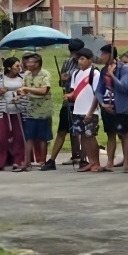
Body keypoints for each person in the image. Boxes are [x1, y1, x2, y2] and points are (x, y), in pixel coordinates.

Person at [96, 44, 128, 172]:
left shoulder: (124, 69)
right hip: (107, 106)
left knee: (124, 134)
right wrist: (103, 104)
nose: (101, 57)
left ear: (109, 55)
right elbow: (98, 90)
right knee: (110, 134)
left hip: (120, 106)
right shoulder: (103, 70)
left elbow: (123, 86)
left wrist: (112, 75)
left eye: (103, 54)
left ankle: (126, 163)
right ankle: (109, 162)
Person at [47, 38, 85, 167]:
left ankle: (79, 156)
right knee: (63, 130)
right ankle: (51, 160)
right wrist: (61, 79)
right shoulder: (67, 62)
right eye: (72, 53)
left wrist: (71, 75)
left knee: (80, 131)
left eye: (76, 53)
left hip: (80, 102)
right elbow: (60, 82)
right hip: (67, 102)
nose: (74, 56)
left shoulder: (84, 63)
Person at [67, 49, 103, 172]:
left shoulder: (95, 74)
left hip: (90, 110)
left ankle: (96, 162)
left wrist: (90, 112)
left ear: (90, 60)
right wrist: (70, 95)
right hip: (78, 109)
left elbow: (97, 94)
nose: (80, 61)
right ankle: (90, 161)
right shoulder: (76, 74)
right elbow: (75, 91)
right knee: (83, 137)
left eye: (82, 59)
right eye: (78, 59)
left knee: (90, 136)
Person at [0, 56, 27, 172]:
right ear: (9, 67)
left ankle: (18, 160)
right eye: (17, 66)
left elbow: (27, 91)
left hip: (18, 110)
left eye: (19, 65)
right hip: (2, 111)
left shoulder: (22, 78)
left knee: (18, 136)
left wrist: (20, 95)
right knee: (1, 138)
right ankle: (2, 161)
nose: (19, 68)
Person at [19, 53, 54, 170]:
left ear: (37, 63)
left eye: (31, 62)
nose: (27, 64)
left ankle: (42, 161)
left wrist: (26, 89)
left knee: (43, 137)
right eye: (27, 62)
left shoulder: (45, 74)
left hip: (43, 110)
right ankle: (27, 162)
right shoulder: (27, 75)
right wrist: (19, 94)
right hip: (30, 109)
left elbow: (44, 90)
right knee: (29, 136)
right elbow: (24, 89)